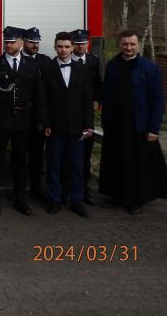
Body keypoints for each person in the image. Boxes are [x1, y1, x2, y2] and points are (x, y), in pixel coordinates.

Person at [99, 29, 167, 215]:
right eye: (125, 44)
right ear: (119, 44)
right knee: (116, 161)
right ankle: (116, 196)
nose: (129, 47)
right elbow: (107, 95)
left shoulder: (150, 68)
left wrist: (154, 128)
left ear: (138, 44)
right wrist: (105, 122)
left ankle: (135, 199)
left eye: (132, 44)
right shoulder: (112, 65)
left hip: (139, 125)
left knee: (137, 164)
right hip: (116, 124)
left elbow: (158, 99)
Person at [0, 26, 45, 216]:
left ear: (21, 42)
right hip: (0, 119)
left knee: (20, 161)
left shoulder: (32, 64)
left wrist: (41, 120)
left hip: (23, 119)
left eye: (12, 42)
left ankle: (20, 198)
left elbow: (38, 95)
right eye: (6, 42)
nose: (8, 45)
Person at [41, 32, 93, 217]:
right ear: (55, 47)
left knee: (77, 166)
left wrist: (89, 125)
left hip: (77, 127)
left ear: (72, 48)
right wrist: (45, 123)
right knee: (54, 165)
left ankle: (76, 200)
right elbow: (42, 99)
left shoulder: (82, 69)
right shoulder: (46, 69)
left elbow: (87, 99)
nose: (63, 50)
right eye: (60, 46)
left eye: (66, 46)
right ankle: (54, 199)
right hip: (54, 127)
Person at [71, 28, 102, 205]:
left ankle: (84, 189)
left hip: (86, 113)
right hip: (69, 112)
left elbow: (98, 83)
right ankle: (68, 188)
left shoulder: (94, 61)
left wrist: (97, 100)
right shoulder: (64, 61)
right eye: (77, 44)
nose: (80, 47)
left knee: (85, 153)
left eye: (83, 43)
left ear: (87, 44)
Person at [22, 26, 50, 201]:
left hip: (38, 116)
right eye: (31, 42)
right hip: (20, 115)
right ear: (23, 42)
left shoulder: (44, 61)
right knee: (19, 154)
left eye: (37, 42)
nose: (35, 45)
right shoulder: (16, 59)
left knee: (37, 154)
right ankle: (19, 188)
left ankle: (36, 187)